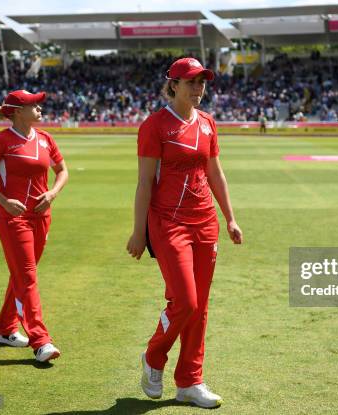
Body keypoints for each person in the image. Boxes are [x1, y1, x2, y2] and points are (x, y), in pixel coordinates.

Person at [126, 57, 243, 409]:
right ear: (172, 84)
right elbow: (145, 182)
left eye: (202, 82)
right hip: (168, 223)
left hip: (205, 222)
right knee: (186, 302)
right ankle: (153, 357)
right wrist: (138, 231)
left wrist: (230, 218)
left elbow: (215, 174)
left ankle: (190, 381)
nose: (198, 88)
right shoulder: (155, 125)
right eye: (191, 82)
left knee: (200, 306)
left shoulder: (208, 123)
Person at [0, 90, 68, 363]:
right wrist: (3, 200)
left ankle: (5, 329)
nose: (39, 107)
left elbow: (62, 170)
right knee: (27, 276)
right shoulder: (0, 141)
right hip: (13, 219)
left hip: (41, 218)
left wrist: (53, 194)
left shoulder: (46, 139)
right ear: (15, 111)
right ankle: (41, 341)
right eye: (32, 105)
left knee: (23, 274)